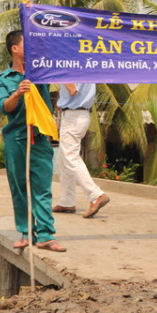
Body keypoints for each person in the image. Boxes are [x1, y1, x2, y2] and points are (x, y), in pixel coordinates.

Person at [0, 30, 66, 252]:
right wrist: (17, 93)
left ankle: (45, 234)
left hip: (40, 137)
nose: (32, 46)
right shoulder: (2, 79)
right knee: (19, 187)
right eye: (27, 42)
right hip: (16, 138)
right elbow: (5, 107)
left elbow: (55, 57)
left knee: (43, 187)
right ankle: (26, 232)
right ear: (14, 48)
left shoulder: (40, 71)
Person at [52, 83, 110, 218]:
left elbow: (72, 90)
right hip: (78, 114)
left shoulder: (72, 67)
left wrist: (62, 74)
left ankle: (96, 195)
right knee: (62, 160)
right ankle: (67, 201)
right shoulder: (85, 67)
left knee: (71, 158)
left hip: (73, 116)